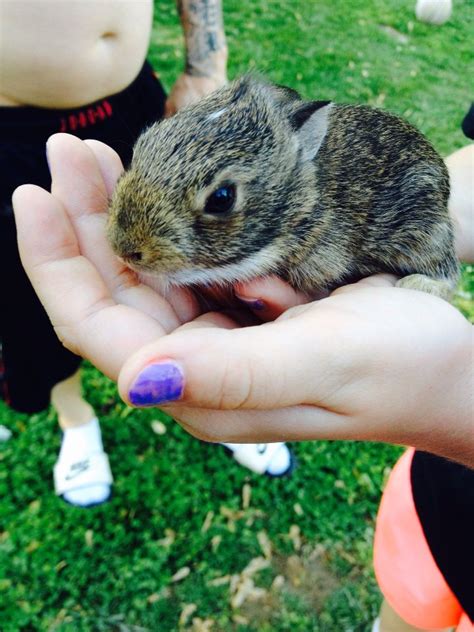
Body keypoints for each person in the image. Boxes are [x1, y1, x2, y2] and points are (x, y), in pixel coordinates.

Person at [12, 134, 473, 628]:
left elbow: (410, 196)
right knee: (410, 604)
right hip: (436, 507)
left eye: (221, 200)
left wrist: (455, 402)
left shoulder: (317, 229)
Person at [0, 0, 292, 508]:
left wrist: (204, 64)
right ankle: (76, 420)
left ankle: (212, 400)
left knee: (199, 265)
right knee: (34, 294)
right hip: (12, 130)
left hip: (135, 105)